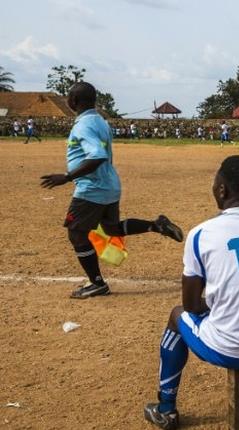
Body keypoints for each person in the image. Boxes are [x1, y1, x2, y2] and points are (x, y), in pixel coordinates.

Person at [143, 155, 239, 429]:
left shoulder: (202, 233)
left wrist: (217, 304)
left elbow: (189, 304)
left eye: (215, 183)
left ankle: (166, 407)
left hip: (228, 349)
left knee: (177, 316)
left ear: (222, 190)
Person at [39, 82, 184, 299]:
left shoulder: (83, 126)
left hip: (92, 188)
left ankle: (97, 283)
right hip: (108, 185)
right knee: (111, 228)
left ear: (73, 101)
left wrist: (67, 177)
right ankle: (156, 225)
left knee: (77, 234)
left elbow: (97, 155)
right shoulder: (100, 121)